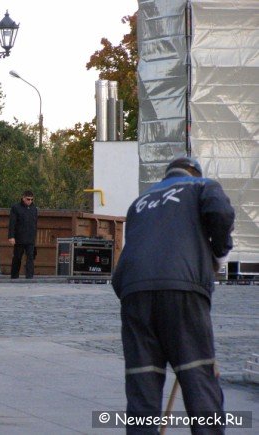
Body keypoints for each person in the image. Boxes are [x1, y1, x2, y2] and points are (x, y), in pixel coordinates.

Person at [112, 157, 235, 434]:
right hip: (182, 290)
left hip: (135, 292)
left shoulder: (140, 202)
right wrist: (218, 250)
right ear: (194, 173)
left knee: (142, 383)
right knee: (198, 375)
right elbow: (221, 212)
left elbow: (131, 253)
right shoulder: (202, 185)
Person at [8, 190, 38, 279]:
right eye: (28, 199)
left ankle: (29, 277)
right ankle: (14, 276)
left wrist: (34, 237)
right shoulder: (16, 207)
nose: (30, 201)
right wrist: (11, 236)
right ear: (23, 198)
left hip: (30, 238)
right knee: (17, 257)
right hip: (19, 238)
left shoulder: (34, 209)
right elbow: (12, 223)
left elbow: (35, 223)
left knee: (30, 258)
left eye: (31, 199)